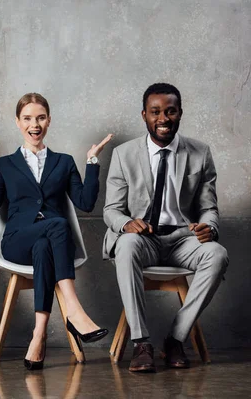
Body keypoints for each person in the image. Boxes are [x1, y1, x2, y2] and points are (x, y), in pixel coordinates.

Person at [0, 92, 112, 370]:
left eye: (41, 118)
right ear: (18, 122)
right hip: (17, 241)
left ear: (49, 121)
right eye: (28, 118)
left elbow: (86, 203)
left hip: (51, 244)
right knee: (57, 223)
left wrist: (92, 162)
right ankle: (74, 310)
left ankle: (39, 334)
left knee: (45, 246)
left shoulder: (64, 162)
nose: (35, 124)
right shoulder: (6, 164)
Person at [103, 82, 228, 372]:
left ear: (180, 113)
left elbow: (208, 207)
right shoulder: (124, 154)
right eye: (155, 112)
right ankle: (141, 344)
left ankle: (175, 339)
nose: (163, 118)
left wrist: (209, 226)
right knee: (126, 243)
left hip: (182, 239)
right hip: (144, 239)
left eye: (170, 111)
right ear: (144, 115)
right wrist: (127, 223)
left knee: (218, 254)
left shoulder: (200, 152)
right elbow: (111, 210)